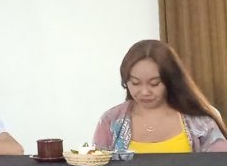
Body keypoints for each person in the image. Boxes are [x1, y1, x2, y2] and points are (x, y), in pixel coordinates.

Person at [93, 39, 227, 153]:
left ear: (171, 80)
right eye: (135, 83)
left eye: (154, 83)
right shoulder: (110, 121)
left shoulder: (200, 120)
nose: (144, 92)